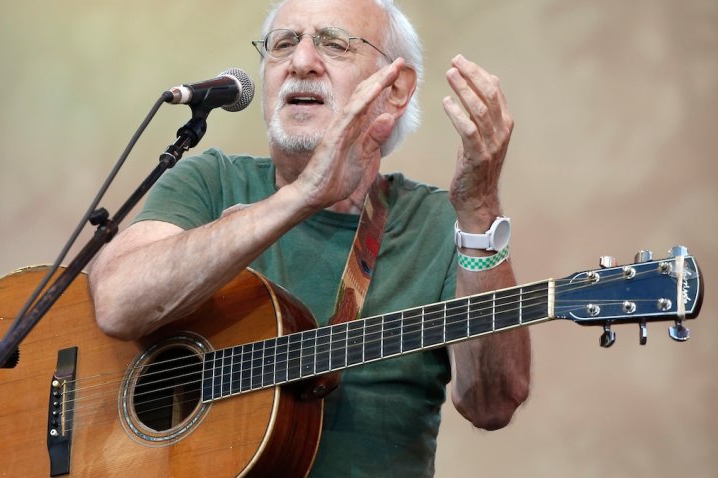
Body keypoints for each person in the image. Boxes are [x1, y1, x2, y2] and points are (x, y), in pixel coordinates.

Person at [88, 0, 531, 475]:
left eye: (333, 43)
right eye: (282, 44)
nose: (300, 62)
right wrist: (302, 196)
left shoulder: (440, 225)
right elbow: (117, 303)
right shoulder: (211, 182)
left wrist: (481, 211)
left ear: (396, 90)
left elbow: (492, 402)